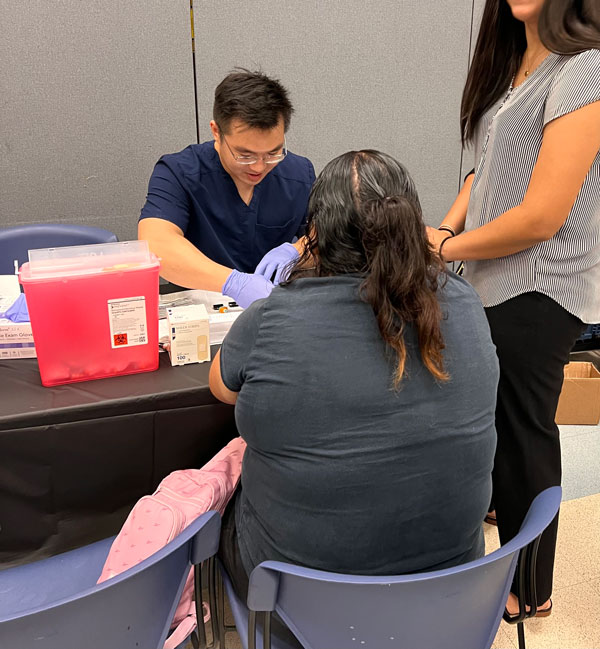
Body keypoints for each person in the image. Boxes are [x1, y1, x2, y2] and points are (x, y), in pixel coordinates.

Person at [209, 150, 499, 623]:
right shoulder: (465, 303)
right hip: (451, 589)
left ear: (315, 235)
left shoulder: (273, 317)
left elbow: (222, 388)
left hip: (299, 601)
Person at [429, 0, 600, 617]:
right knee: (499, 429)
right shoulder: (515, 66)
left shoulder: (585, 68)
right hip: (488, 277)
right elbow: (486, 173)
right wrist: (441, 232)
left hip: (541, 283)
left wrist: (447, 246)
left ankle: (532, 589)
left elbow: (542, 215)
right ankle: (508, 549)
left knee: (526, 432)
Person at [138, 69, 315, 307]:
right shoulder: (178, 172)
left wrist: (296, 250)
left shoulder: (298, 173)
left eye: (273, 153)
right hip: (200, 311)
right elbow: (157, 244)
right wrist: (234, 282)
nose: (259, 166)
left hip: (274, 309)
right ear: (216, 132)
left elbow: (327, 235)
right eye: (244, 154)